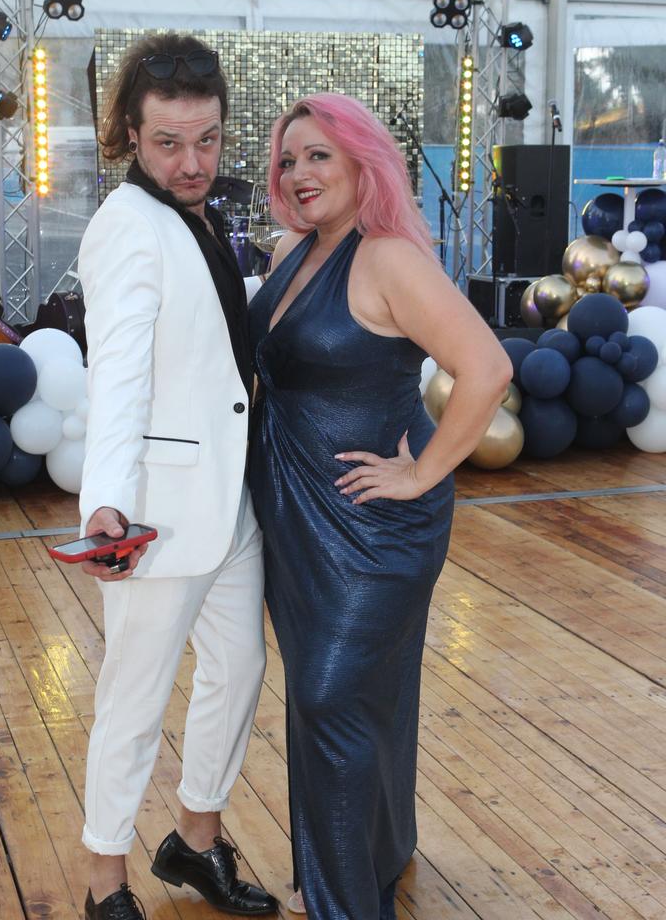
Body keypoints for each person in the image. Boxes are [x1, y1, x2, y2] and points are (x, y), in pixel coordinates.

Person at [246, 93, 512, 920]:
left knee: (330, 696)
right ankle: (375, 852)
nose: (300, 173)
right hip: (296, 518)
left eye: (320, 155)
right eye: (289, 160)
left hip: (372, 526)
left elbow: (488, 368)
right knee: (358, 694)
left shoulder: (389, 257)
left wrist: (423, 472)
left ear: (364, 162)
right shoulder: (299, 251)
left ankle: (343, 900)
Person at [77, 32, 277, 920]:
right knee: (135, 693)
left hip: (227, 500)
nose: (192, 162)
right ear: (127, 132)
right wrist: (108, 507)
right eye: (169, 143)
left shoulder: (191, 214)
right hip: (157, 510)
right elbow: (115, 377)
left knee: (238, 670)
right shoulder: (127, 227)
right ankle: (104, 885)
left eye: (207, 140)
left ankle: (195, 842)